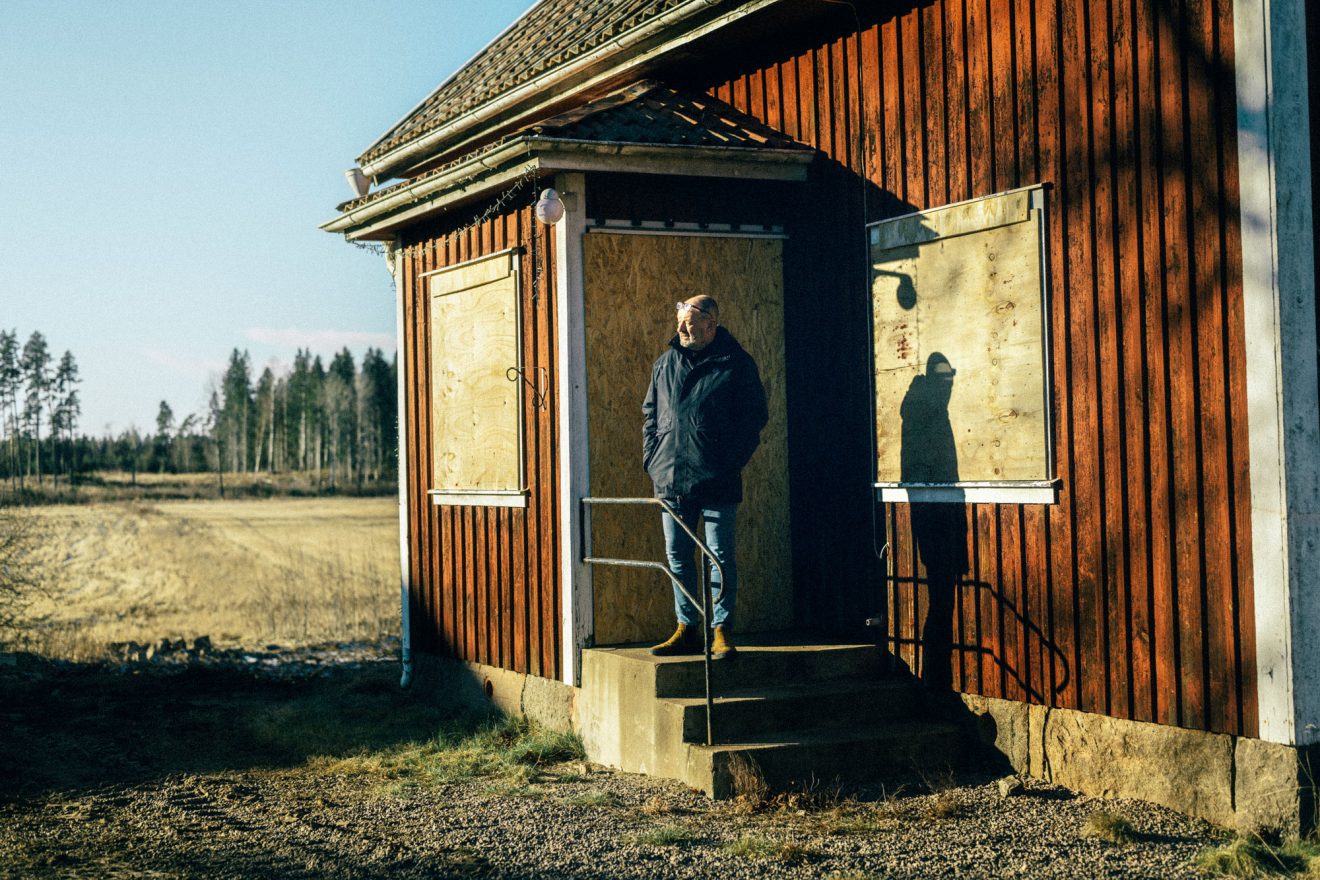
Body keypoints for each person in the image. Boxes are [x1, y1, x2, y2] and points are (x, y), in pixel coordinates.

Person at [642, 294, 768, 659]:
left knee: (719, 556)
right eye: (680, 321)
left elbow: (754, 419)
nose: (681, 328)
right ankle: (687, 628)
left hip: (717, 479)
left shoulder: (736, 364)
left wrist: (728, 462)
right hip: (671, 478)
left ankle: (721, 631)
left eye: (690, 322)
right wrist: (653, 459)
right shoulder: (665, 364)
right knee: (678, 557)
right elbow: (651, 415)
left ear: (711, 324)